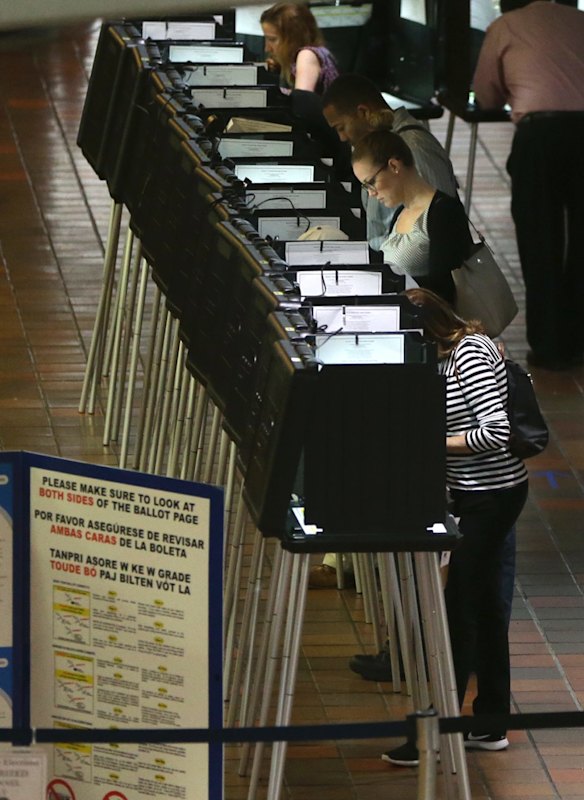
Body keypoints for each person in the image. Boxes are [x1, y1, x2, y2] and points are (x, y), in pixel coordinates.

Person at [382, 288, 529, 767]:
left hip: (492, 497)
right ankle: (488, 723)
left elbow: (495, 432)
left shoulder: (468, 355)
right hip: (471, 496)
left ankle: (440, 725)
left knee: (459, 613)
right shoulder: (443, 358)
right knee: (482, 608)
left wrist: (430, 441)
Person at [473, 0, 584, 371]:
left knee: (540, 239)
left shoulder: (506, 26)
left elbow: (486, 95)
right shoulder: (579, 19)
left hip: (539, 135)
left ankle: (551, 346)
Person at [321, 73, 458, 249]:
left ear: (363, 112)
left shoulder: (414, 148)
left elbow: (440, 225)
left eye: (341, 128)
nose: (341, 138)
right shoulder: (374, 146)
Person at [351, 130, 471, 303]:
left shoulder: (444, 212)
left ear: (394, 166)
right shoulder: (401, 213)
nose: (371, 193)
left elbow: (445, 290)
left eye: (371, 183)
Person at [260, 3, 339, 95]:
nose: (267, 48)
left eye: (272, 39)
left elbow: (302, 100)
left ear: (294, 37)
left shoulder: (307, 55)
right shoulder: (317, 53)